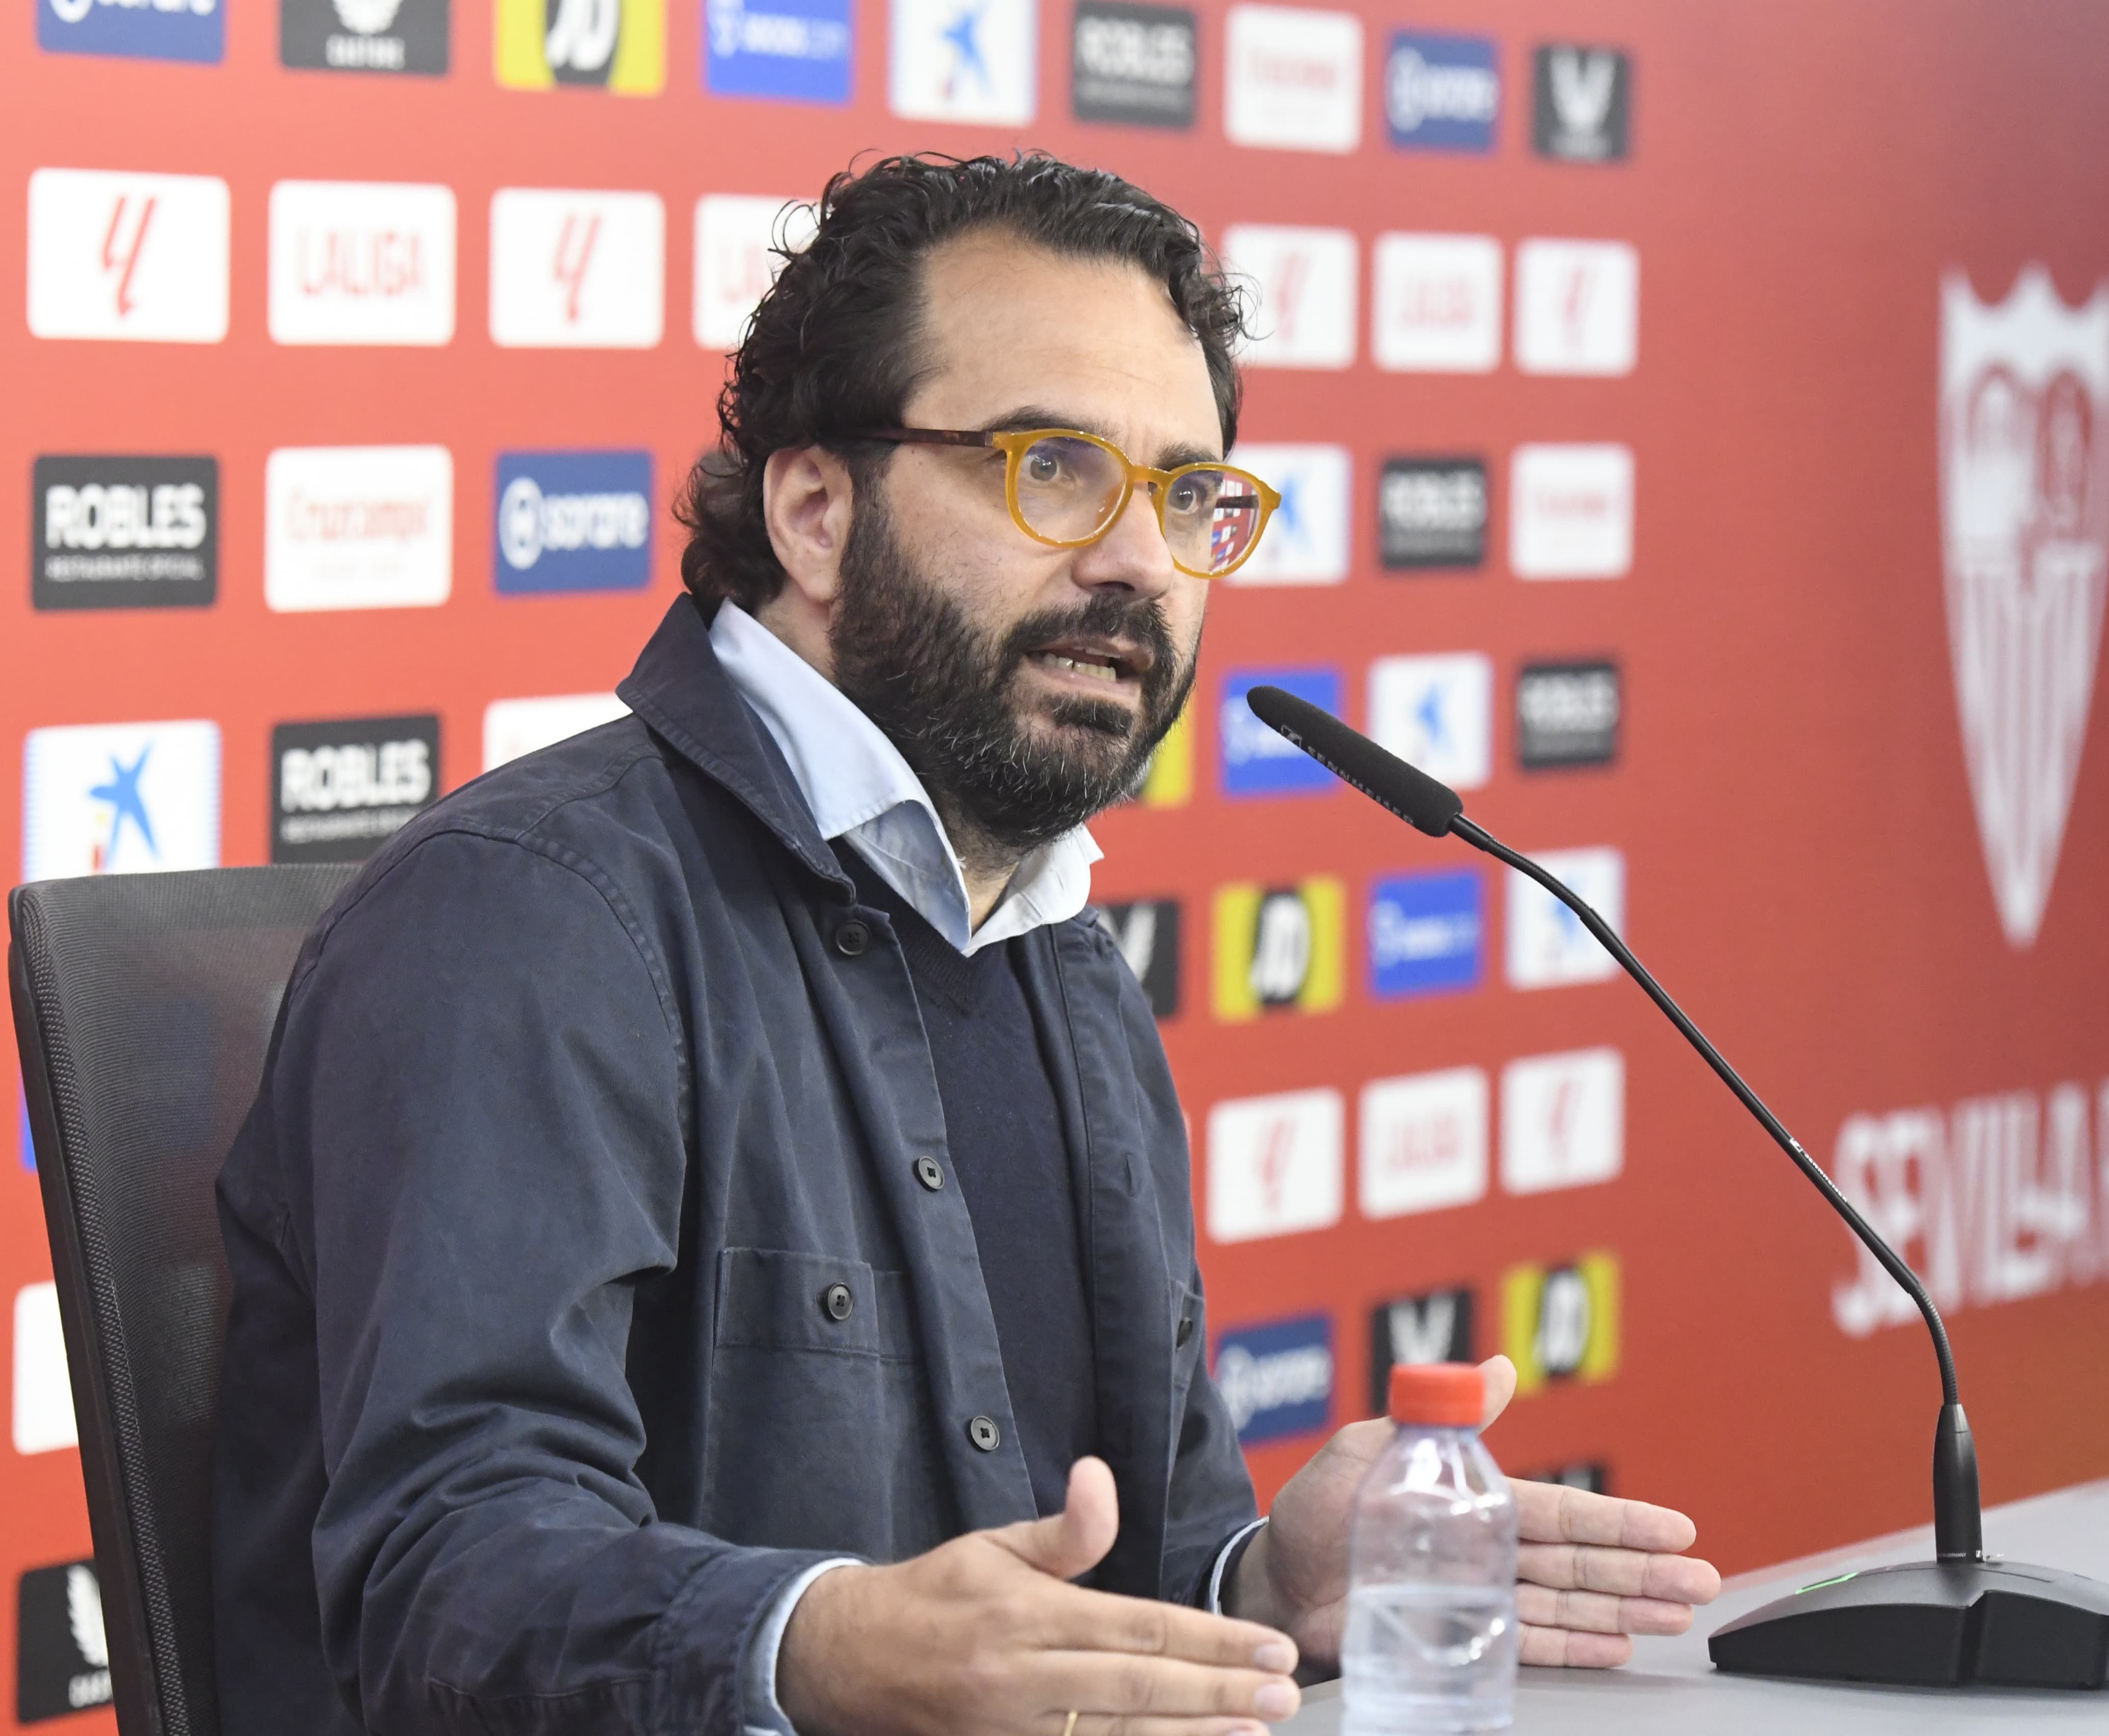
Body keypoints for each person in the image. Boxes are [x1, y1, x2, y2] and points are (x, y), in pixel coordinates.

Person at [211, 151, 1720, 1736]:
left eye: (1188, 496)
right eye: (1054, 470)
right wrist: (813, 1648)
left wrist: (1262, 1590)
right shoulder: (531, 917)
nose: (1139, 562)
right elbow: (438, 1579)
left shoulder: (1058, 958)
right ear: (813, 510)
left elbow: (1105, 1570)